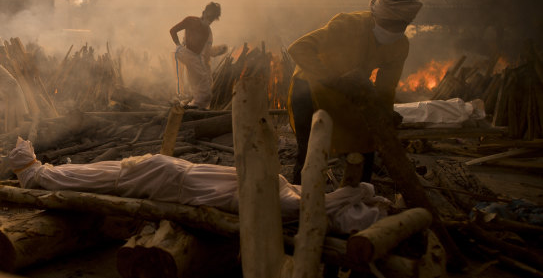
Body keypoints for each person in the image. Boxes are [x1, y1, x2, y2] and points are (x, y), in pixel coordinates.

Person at [8, 138, 391, 234]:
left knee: (101, 177)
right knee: (101, 176)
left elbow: (323, 204)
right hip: (169, 175)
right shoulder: (288, 198)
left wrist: (360, 192)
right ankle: (35, 172)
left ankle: (34, 171)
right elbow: (321, 203)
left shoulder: (286, 203)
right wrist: (359, 193)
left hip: (170, 176)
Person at [287, 0, 422, 185]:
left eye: (400, 26)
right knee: (310, 149)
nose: (393, 31)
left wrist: (385, 113)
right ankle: (299, 200)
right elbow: (298, 48)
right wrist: (331, 78)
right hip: (310, 87)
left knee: (365, 143)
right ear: (376, 15)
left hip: (347, 93)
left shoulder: (400, 45)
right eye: (389, 24)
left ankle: (358, 195)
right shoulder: (348, 24)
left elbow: (386, 87)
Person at [170, 2, 227, 109]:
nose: (209, 21)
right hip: (185, 53)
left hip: (194, 59)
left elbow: (206, 54)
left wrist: (218, 51)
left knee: (204, 85)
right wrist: (178, 45)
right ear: (204, 13)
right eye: (209, 17)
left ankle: (192, 108)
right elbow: (173, 31)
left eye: (212, 20)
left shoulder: (207, 32)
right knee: (205, 89)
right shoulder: (190, 20)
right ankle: (195, 108)